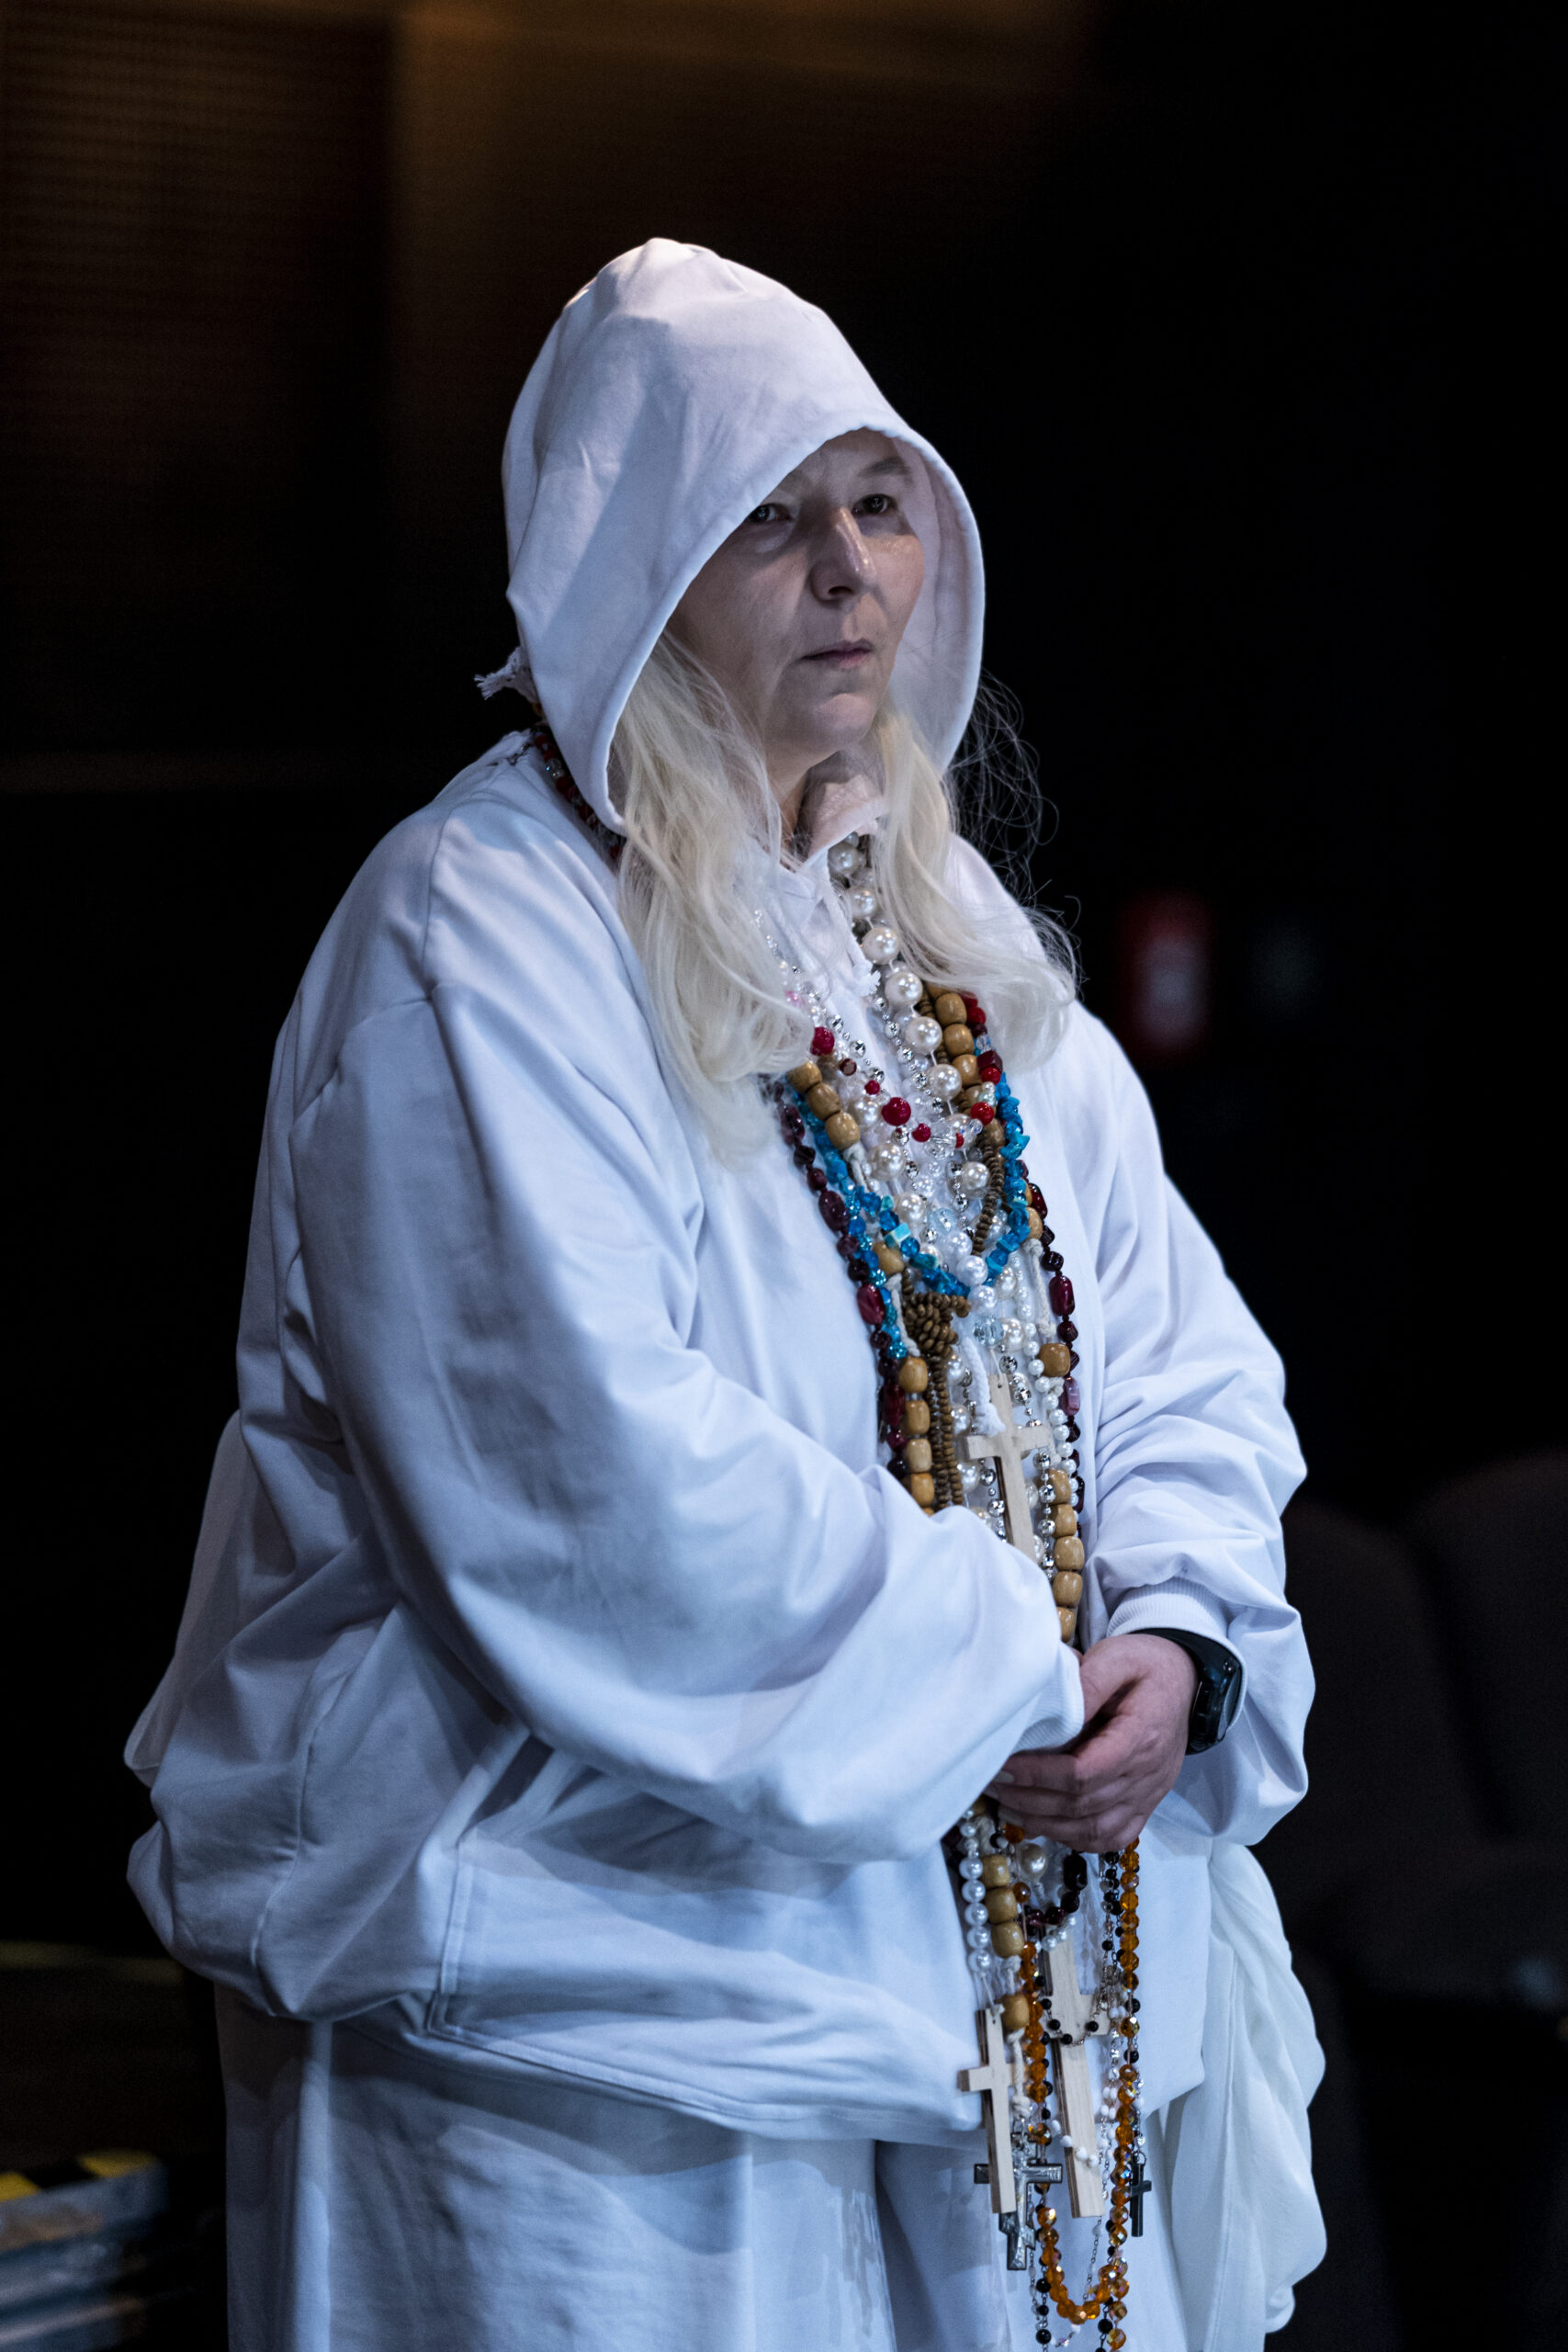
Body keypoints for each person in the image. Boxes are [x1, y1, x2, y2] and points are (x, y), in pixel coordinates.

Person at [127, 239, 1325, 2352]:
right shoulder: (479, 931)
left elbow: (1166, 1345)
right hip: (582, 2042)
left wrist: (1176, 1635)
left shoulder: (932, 929)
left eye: (877, 503)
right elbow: (588, 1477)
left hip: (973, 1985)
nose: (847, 568)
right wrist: (1015, 1673)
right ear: (631, 568)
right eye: (769, 518)